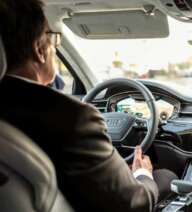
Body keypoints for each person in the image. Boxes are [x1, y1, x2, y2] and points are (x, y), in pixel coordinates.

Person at [0, 0, 176, 211]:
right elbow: (133, 203)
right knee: (165, 177)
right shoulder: (72, 118)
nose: (54, 49)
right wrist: (142, 174)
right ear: (40, 49)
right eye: (54, 40)